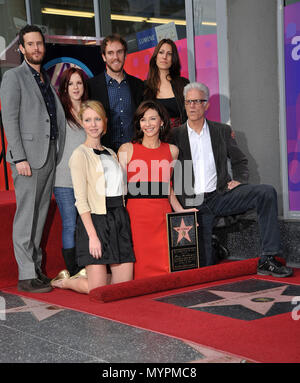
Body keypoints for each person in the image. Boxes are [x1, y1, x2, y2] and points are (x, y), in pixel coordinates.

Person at [169, 81, 293, 277]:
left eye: (197, 101)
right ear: (184, 104)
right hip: (193, 204)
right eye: (188, 101)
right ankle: (213, 245)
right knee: (204, 268)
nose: (192, 106)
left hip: (220, 196)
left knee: (266, 193)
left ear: (206, 105)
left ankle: (269, 258)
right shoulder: (174, 136)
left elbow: (240, 161)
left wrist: (240, 180)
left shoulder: (222, 131)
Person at [0, 24, 66, 293]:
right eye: (30, 44)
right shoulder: (14, 77)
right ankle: (26, 275)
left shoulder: (45, 79)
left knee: (39, 216)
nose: (36, 48)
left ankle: (36, 268)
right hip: (28, 158)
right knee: (27, 216)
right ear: (22, 48)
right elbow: (10, 120)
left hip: (49, 154)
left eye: (39, 43)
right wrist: (18, 158)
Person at [51, 100, 135, 293]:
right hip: (95, 222)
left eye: (97, 119)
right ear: (82, 123)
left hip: (118, 219)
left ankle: (89, 274)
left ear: (104, 122)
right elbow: (81, 201)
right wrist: (93, 237)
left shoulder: (112, 153)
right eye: (88, 120)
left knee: (122, 288)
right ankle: (66, 281)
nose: (93, 124)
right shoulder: (79, 155)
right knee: (97, 289)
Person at [118, 100, 196, 279]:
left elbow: (168, 189)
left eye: (152, 119)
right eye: (143, 119)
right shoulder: (127, 149)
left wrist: (184, 215)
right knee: (137, 274)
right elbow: (120, 191)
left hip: (162, 217)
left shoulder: (172, 151)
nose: (148, 124)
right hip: (136, 218)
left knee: (165, 272)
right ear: (138, 123)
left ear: (162, 122)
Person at [52, 67, 88, 278]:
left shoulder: (91, 110)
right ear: (64, 88)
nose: (75, 87)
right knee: (69, 223)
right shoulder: (59, 113)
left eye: (79, 83)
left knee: (86, 221)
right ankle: (73, 269)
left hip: (87, 177)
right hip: (64, 176)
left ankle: (87, 264)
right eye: (70, 84)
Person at [87, 34, 144, 153]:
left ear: (125, 54)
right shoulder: (91, 86)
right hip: (104, 153)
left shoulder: (138, 85)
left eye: (119, 52)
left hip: (134, 152)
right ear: (103, 57)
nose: (115, 57)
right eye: (110, 53)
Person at [144, 38, 189, 129]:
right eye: (161, 52)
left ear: (173, 59)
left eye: (169, 54)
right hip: (155, 139)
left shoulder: (183, 84)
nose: (164, 57)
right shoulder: (145, 86)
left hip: (180, 138)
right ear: (156, 57)